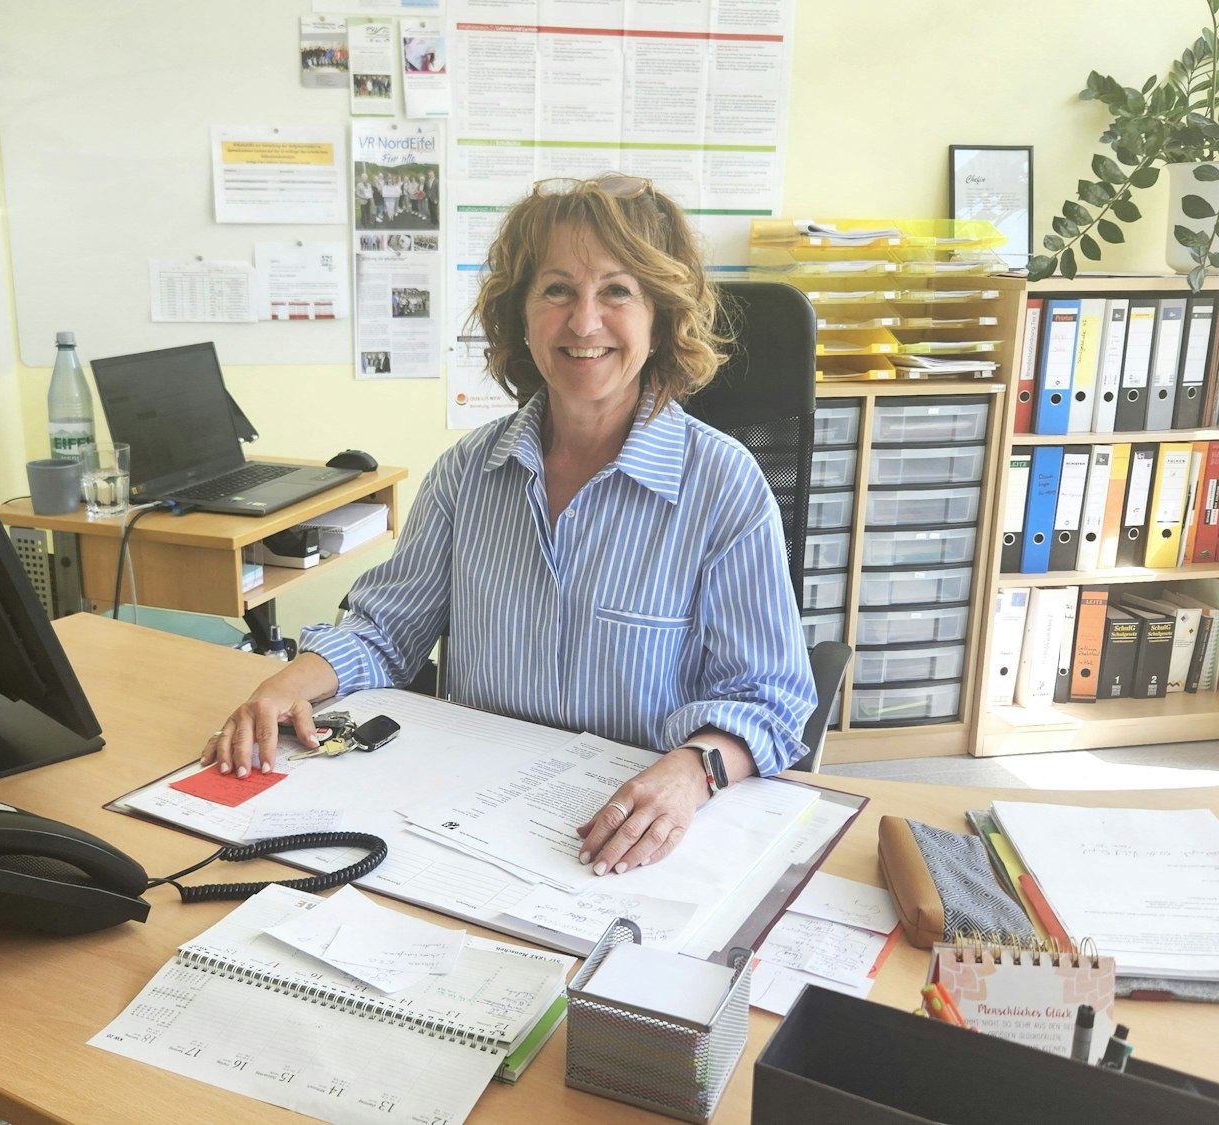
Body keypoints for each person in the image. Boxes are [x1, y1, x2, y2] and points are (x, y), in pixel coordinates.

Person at [199, 173, 814, 876]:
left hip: (631, 839)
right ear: (520, 314)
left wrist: (691, 772)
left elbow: (769, 701)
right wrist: (284, 684)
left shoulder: (724, 488)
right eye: (557, 290)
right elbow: (384, 632)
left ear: (661, 314)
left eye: (617, 290)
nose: (584, 323)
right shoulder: (469, 471)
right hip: (466, 819)